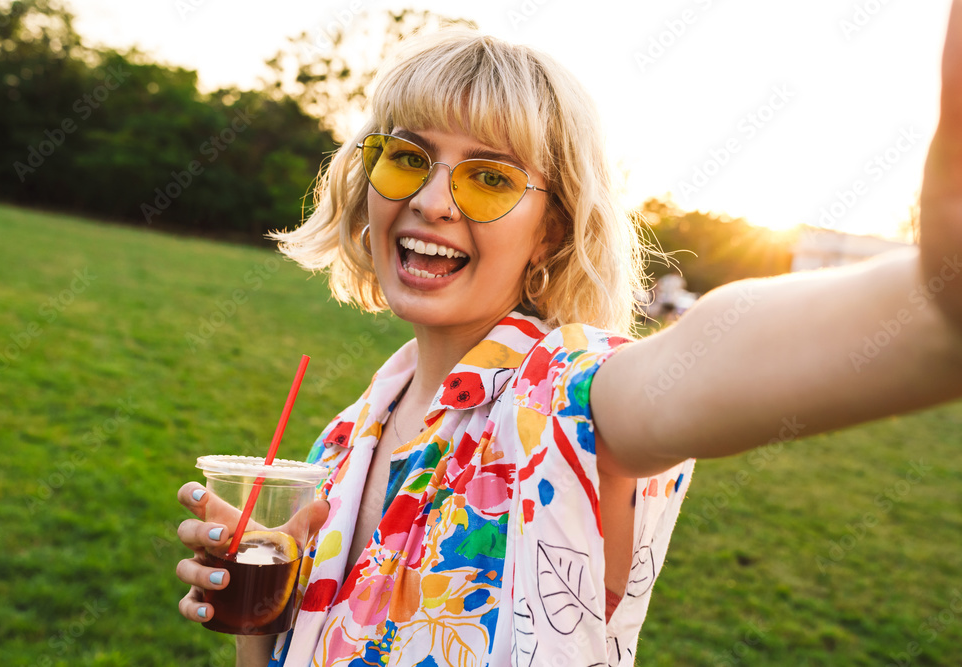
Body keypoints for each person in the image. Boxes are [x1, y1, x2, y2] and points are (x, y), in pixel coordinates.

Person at [176, 8, 962, 665]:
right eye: (408, 158)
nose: (433, 200)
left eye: (489, 177)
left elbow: (708, 353)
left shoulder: (565, 394)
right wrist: (264, 607)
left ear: (550, 232)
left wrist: (938, 293)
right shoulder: (342, 440)